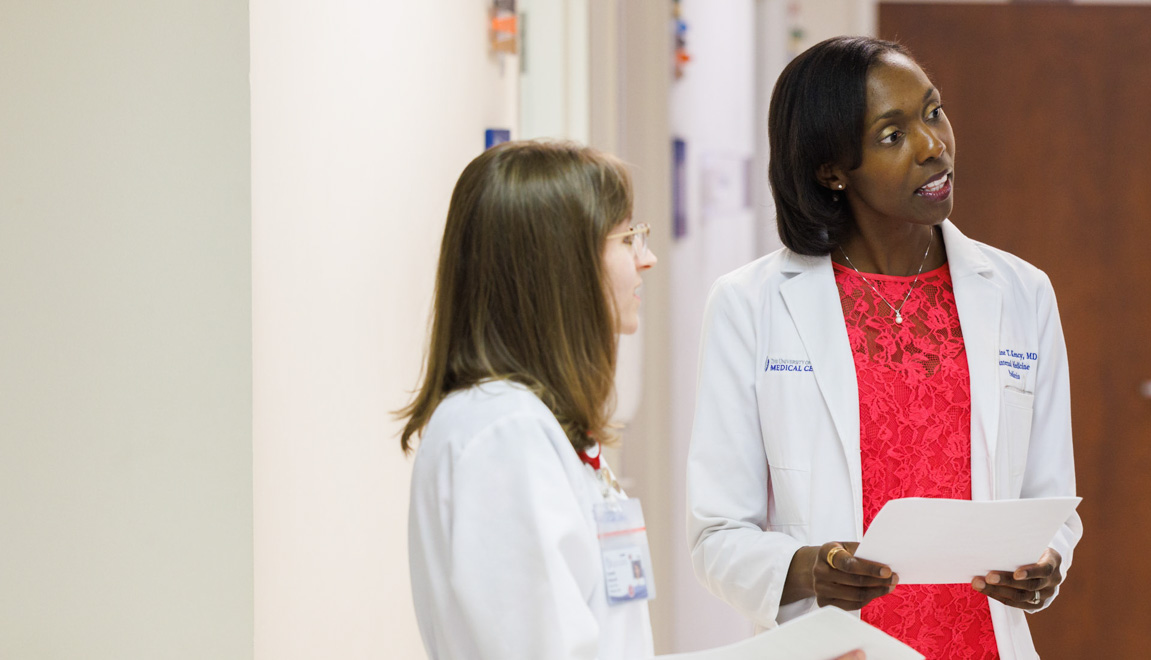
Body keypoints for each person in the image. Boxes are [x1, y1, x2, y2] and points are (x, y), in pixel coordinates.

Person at [686, 36, 1081, 659]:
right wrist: (808, 567)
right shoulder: (750, 304)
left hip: (982, 644)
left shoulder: (1022, 293)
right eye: (892, 135)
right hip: (836, 648)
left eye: (932, 111)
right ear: (831, 169)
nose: (934, 146)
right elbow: (716, 535)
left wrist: (1046, 561)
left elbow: (1050, 497)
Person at [398, 140, 661, 659]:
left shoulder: (531, 423)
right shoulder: (503, 433)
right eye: (628, 238)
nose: (646, 259)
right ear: (564, 264)